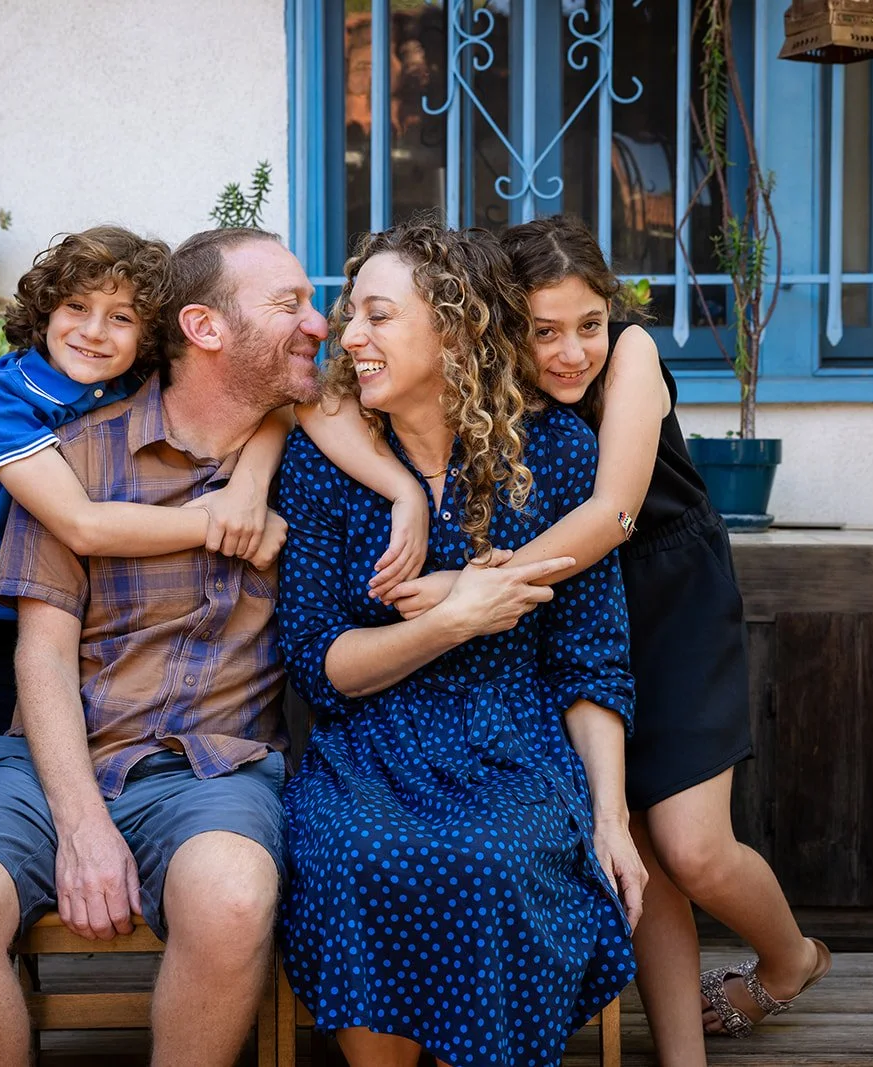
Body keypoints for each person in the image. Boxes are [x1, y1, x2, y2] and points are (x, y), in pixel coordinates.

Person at [324, 216, 830, 1063]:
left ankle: (791, 958)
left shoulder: (629, 354)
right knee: (629, 833)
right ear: (494, 325)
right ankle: (681, 1052)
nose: (570, 352)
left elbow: (614, 513)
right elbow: (323, 399)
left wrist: (469, 587)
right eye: (544, 331)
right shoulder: (486, 379)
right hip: (562, 608)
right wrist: (404, 495)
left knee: (693, 846)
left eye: (588, 324)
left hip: (664, 594)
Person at [0, 225, 286, 1052]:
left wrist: (249, 481)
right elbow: (80, 524)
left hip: (4, 617)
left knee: (49, 761)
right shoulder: (2, 395)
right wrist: (218, 520)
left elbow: (272, 401)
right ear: (44, 312)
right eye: (76, 307)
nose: (94, 331)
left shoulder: (126, 387)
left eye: (121, 318)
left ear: (150, 336)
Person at [276, 222, 646, 1067]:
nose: (350, 336)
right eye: (352, 314)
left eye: (377, 316)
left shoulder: (555, 451)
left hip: (513, 742)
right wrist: (450, 619)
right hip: (368, 748)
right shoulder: (326, 461)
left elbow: (590, 661)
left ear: (454, 329)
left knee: (496, 860)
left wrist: (611, 816)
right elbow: (319, 663)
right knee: (353, 855)